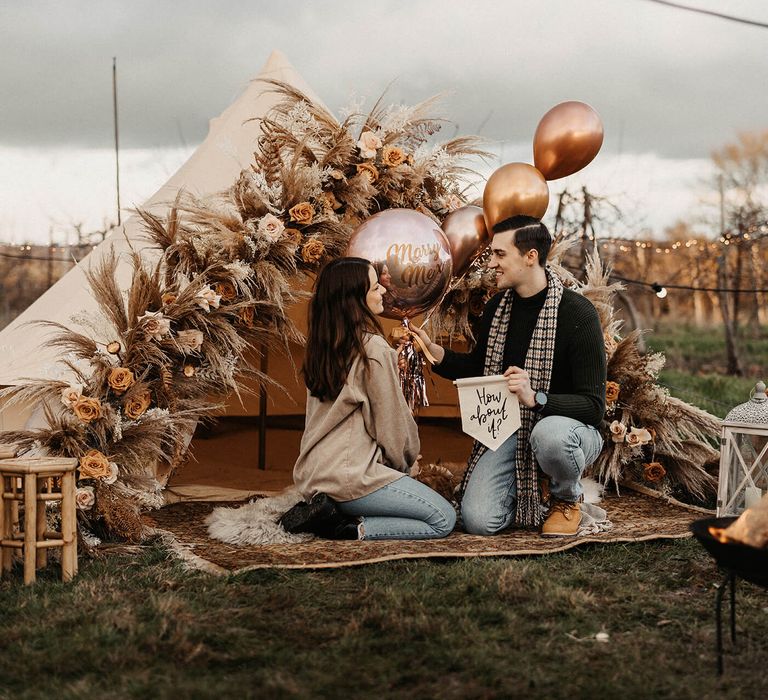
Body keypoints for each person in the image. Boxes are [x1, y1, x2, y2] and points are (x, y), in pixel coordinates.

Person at [409, 215, 606, 537]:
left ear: (530, 257)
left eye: (500, 254)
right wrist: (433, 351)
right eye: (491, 254)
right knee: (479, 521)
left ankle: (566, 499)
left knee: (549, 435)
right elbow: (480, 368)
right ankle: (527, 495)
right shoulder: (498, 308)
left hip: (570, 429)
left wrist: (537, 398)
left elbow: (594, 407)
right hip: (509, 425)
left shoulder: (577, 314)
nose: (492, 263)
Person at [280, 257, 456, 540]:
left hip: (313, 476)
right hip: (351, 479)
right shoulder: (373, 349)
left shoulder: (323, 345)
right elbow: (392, 428)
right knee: (443, 518)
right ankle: (348, 527)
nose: (384, 292)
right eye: (376, 288)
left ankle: (329, 511)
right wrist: (407, 467)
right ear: (356, 300)